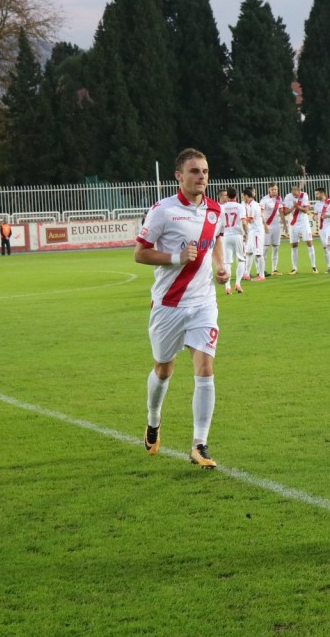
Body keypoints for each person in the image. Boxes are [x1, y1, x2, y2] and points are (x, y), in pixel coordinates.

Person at [134, 148, 229, 469]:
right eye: (194, 171)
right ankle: (153, 419)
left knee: (205, 368)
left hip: (203, 303)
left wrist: (220, 266)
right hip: (169, 305)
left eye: (205, 171)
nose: (201, 176)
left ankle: (199, 445)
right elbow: (140, 253)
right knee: (164, 369)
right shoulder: (163, 211)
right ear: (179, 176)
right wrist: (176, 258)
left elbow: (216, 240)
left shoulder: (215, 210)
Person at [281, 184, 317, 274]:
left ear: (299, 190)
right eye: (292, 190)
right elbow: (285, 212)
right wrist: (293, 207)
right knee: (293, 245)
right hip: (293, 223)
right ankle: (294, 268)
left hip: (304, 223)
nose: (294, 192)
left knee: (309, 243)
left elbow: (306, 210)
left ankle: (314, 267)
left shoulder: (304, 195)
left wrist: (298, 207)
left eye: (296, 190)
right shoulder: (288, 197)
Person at [220, 187, 246, 294]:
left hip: (226, 236)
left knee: (227, 262)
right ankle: (238, 284)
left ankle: (227, 287)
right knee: (241, 259)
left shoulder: (222, 207)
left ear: (227, 196)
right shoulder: (240, 206)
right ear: (237, 195)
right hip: (237, 235)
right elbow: (244, 222)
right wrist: (246, 233)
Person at [259, 183, 285, 275]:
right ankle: (262, 269)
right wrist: (264, 225)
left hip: (276, 226)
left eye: (275, 189)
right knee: (265, 248)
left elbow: (281, 212)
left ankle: (274, 269)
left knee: (276, 247)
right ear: (269, 190)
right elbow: (260, 213)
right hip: (267, 226)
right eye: (272, 189)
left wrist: (284, 224)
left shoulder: (279, 198)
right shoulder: (264, 200)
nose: (274, 191)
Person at [241, 187, 266, 282]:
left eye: (243, 196)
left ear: (247, 196)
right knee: (249, 252)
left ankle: (261, 275)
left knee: (258, 253)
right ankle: (246, 273)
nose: (242, 198)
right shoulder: (250, 205)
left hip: (256, 231)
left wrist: (242, 219)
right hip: (252, 231)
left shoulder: (253, 206)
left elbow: (250, 220)